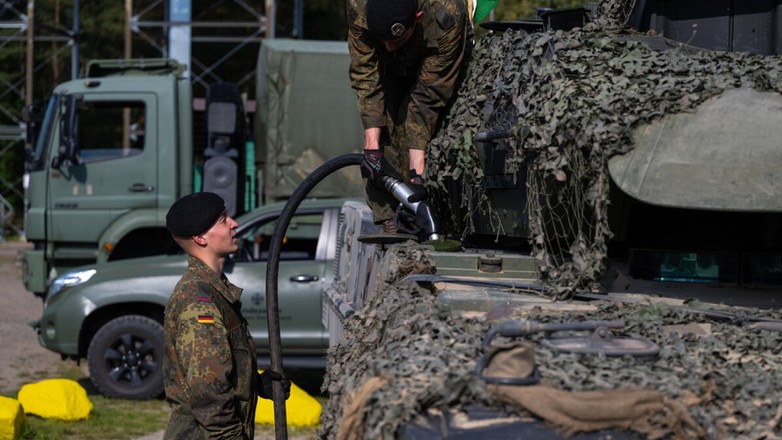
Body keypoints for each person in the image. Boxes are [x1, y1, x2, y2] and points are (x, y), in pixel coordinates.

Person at [162, 192, 289, 439]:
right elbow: (209, 394)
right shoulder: (198, 304)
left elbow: (215, 373)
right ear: (200, 238)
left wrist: (254, 384)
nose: (234, 223)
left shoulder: (215, 290)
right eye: (223, 220)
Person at [347, 0, 472, 232]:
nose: (389, 47)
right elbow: (365, 74)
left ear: (418, 16)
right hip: (388, 68)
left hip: (435, 55)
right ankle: (389, 219)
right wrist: (372, 151)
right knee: (382, 127)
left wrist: (417, 177)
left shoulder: (448, 16)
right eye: (384, 40)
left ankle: (424, 213)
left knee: (429, 132)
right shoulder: (359, 5)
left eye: (394, 40)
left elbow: (427, 101)